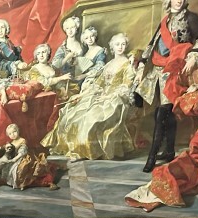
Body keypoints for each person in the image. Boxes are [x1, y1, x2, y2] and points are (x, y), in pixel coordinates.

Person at [134, 0, 198, 173]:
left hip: (174, 68)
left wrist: (194, 56)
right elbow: (152, 44)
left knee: (162, 113)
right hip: (157, 69)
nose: (179, 0)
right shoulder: (165, 20)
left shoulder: (191, 18)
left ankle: (151, 157)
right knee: (165, 111)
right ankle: (169, 151)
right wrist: (142, 64)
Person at [42, 33, 137, 162]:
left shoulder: (128, 65)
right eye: (117, 44)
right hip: (100, 95)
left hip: (115, 99)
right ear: (112, 47)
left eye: (123, 44)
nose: (120, 47)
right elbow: (98, 83)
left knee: (89, 119)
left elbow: (126, 87)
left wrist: (107, 97)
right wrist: (81, 95)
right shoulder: (110, 63)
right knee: (72, 113)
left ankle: (83, 151)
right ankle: (75, 149)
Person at [0, 123, 59, 190]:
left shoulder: (22, 140)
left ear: (18, 131)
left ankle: (41, 182)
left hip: (22, 157)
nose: (13, 134)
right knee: (5, 169)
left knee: (22, 169)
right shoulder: (11, 142)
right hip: (14, 158)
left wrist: (16, 158)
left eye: (14, 131)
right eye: (10, 134)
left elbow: (22, 151)